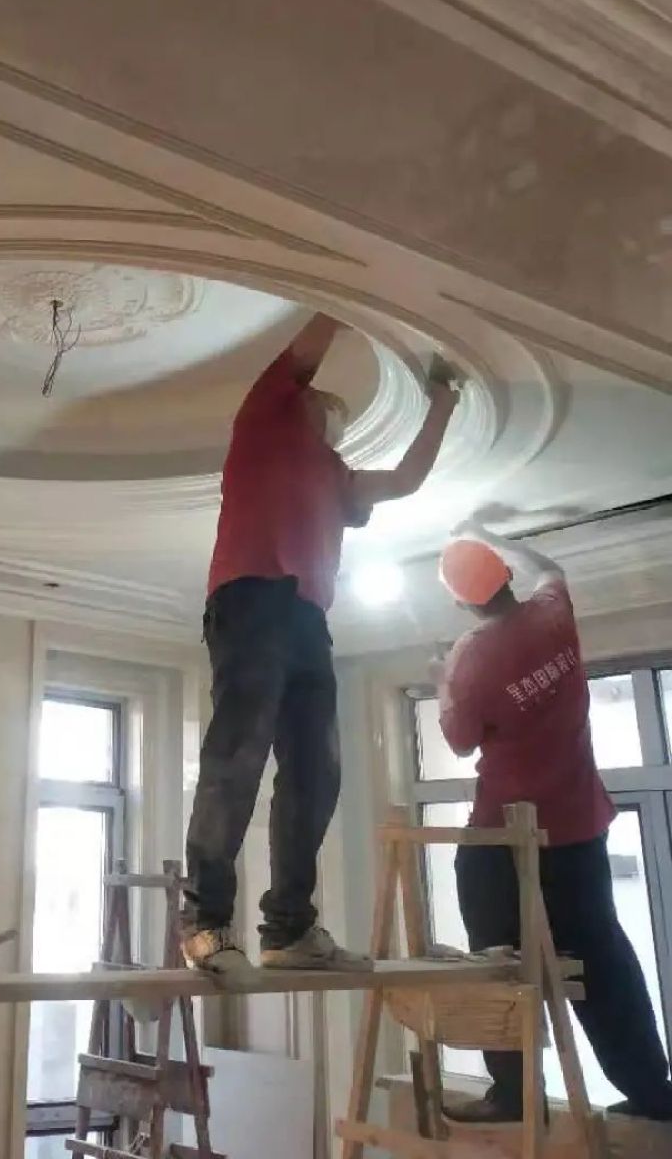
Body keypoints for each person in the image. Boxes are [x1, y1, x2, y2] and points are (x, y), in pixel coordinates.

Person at [180, 314, 462, 975]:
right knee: (239, 753)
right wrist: (345, 298)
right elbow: (306, 350)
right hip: (252, 596)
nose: (330, 414)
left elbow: (407, 479)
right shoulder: (264, 424)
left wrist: (443, 403)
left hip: (308, 618)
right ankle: (205, 921)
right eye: (323, 405)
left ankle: (288, 929)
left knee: (315, 770)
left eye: (336, 415)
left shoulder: (337, 476)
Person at [435, 524, 672, 1123]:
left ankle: (515, 1096)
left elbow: (459, 741)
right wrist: (489, 534)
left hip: (503, 838)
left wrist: (443, 679)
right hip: (578, 825)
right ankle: (652, 1093)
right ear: (505, 577)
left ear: (461, 603)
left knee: (497, 966)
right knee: (602, 959)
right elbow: (550, 568)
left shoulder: (472, 657)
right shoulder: (553, 615)